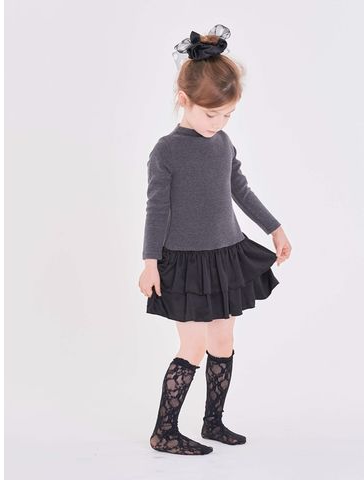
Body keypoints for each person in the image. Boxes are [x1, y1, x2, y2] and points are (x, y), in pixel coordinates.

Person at [138, 24, 292, 455]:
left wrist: (275, 228)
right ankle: (164, 432)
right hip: (186, 263)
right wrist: (150, 262)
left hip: (225, 256)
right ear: (183, 100)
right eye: (211, 115)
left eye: (227, 115)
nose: (219, 123)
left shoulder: (223, 143)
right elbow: (157, 209)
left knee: (223, 342)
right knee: (193, 346)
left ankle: (213, 422)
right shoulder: (166, 151)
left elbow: (239, 189)